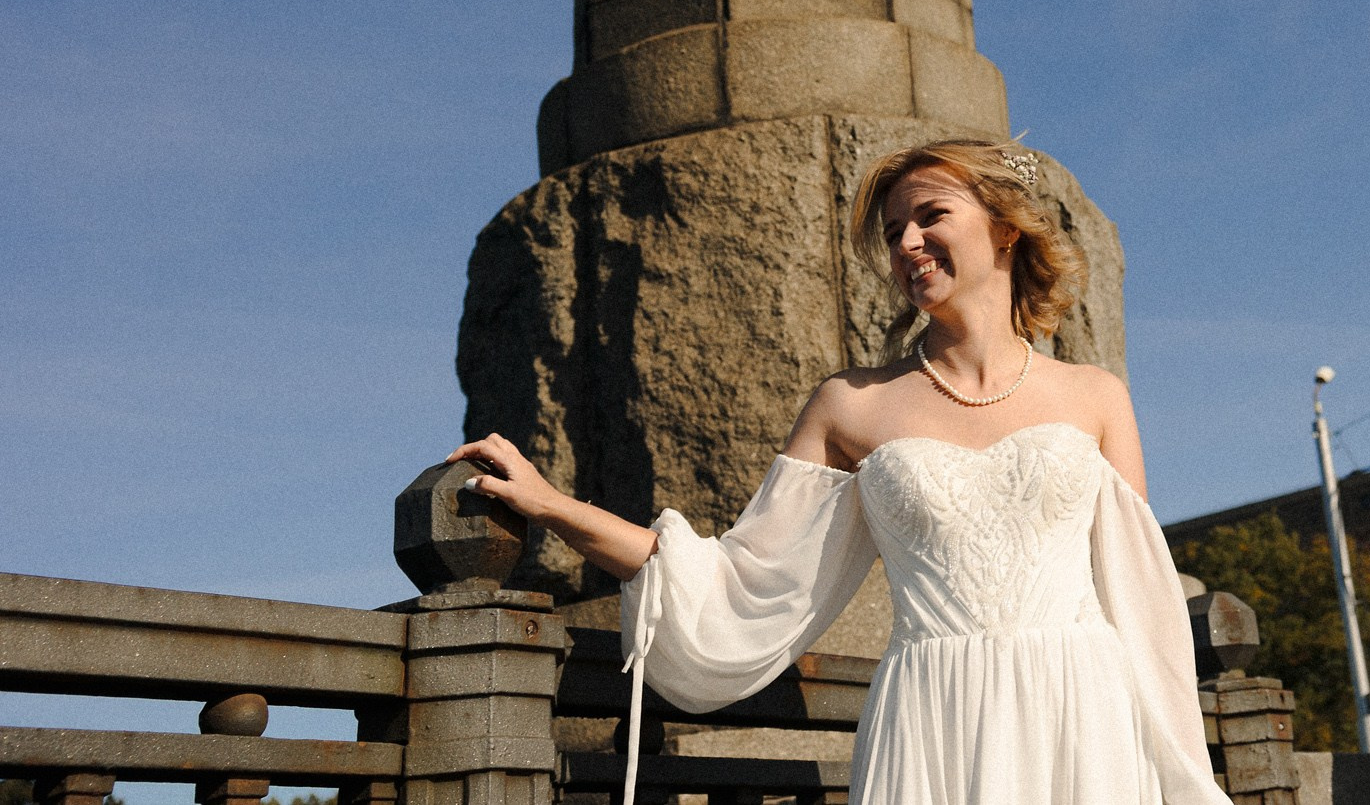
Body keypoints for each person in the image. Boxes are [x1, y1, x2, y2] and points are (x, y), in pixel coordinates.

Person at [446, 140, 1223, 805]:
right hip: (933, 722)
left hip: (1083, 719)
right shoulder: (851, 406)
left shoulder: (1095, 398)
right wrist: (550, 502)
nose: (908, 243)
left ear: (1005, 227)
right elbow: (734, 580)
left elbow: (1143, 604)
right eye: (893, 232)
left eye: (930, 216)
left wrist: (1182, 777)